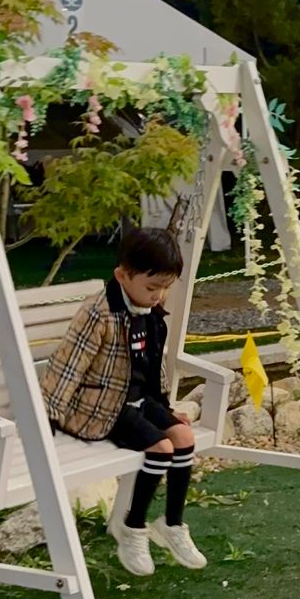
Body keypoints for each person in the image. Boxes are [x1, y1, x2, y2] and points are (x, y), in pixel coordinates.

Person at [42, 227, 207, 577]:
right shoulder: (99, 314)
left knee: (183, 437)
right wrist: (48, 417)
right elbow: (69, 365)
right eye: (152, 287)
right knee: (161, 448)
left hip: (139, 400)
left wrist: (166, 409)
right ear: (122, 275)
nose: (159, 295)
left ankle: (172, 523)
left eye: (165, 287)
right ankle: (132, 528)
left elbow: (153, 365)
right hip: (101, 406)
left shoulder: (150, 311)